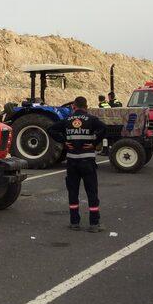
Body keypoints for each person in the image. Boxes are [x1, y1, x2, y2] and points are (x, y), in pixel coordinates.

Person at [49, 96, 107, 232]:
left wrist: (63, 141)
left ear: (74, 106)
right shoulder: (92, 120)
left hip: (72, 161)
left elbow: (51, 129)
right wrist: (93, 142)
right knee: (91, 192)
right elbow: (104, 128)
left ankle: (74, 222)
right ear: (86, 106)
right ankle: (94, 224)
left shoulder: (67, 120)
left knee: (73, 192)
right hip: (87, 161)